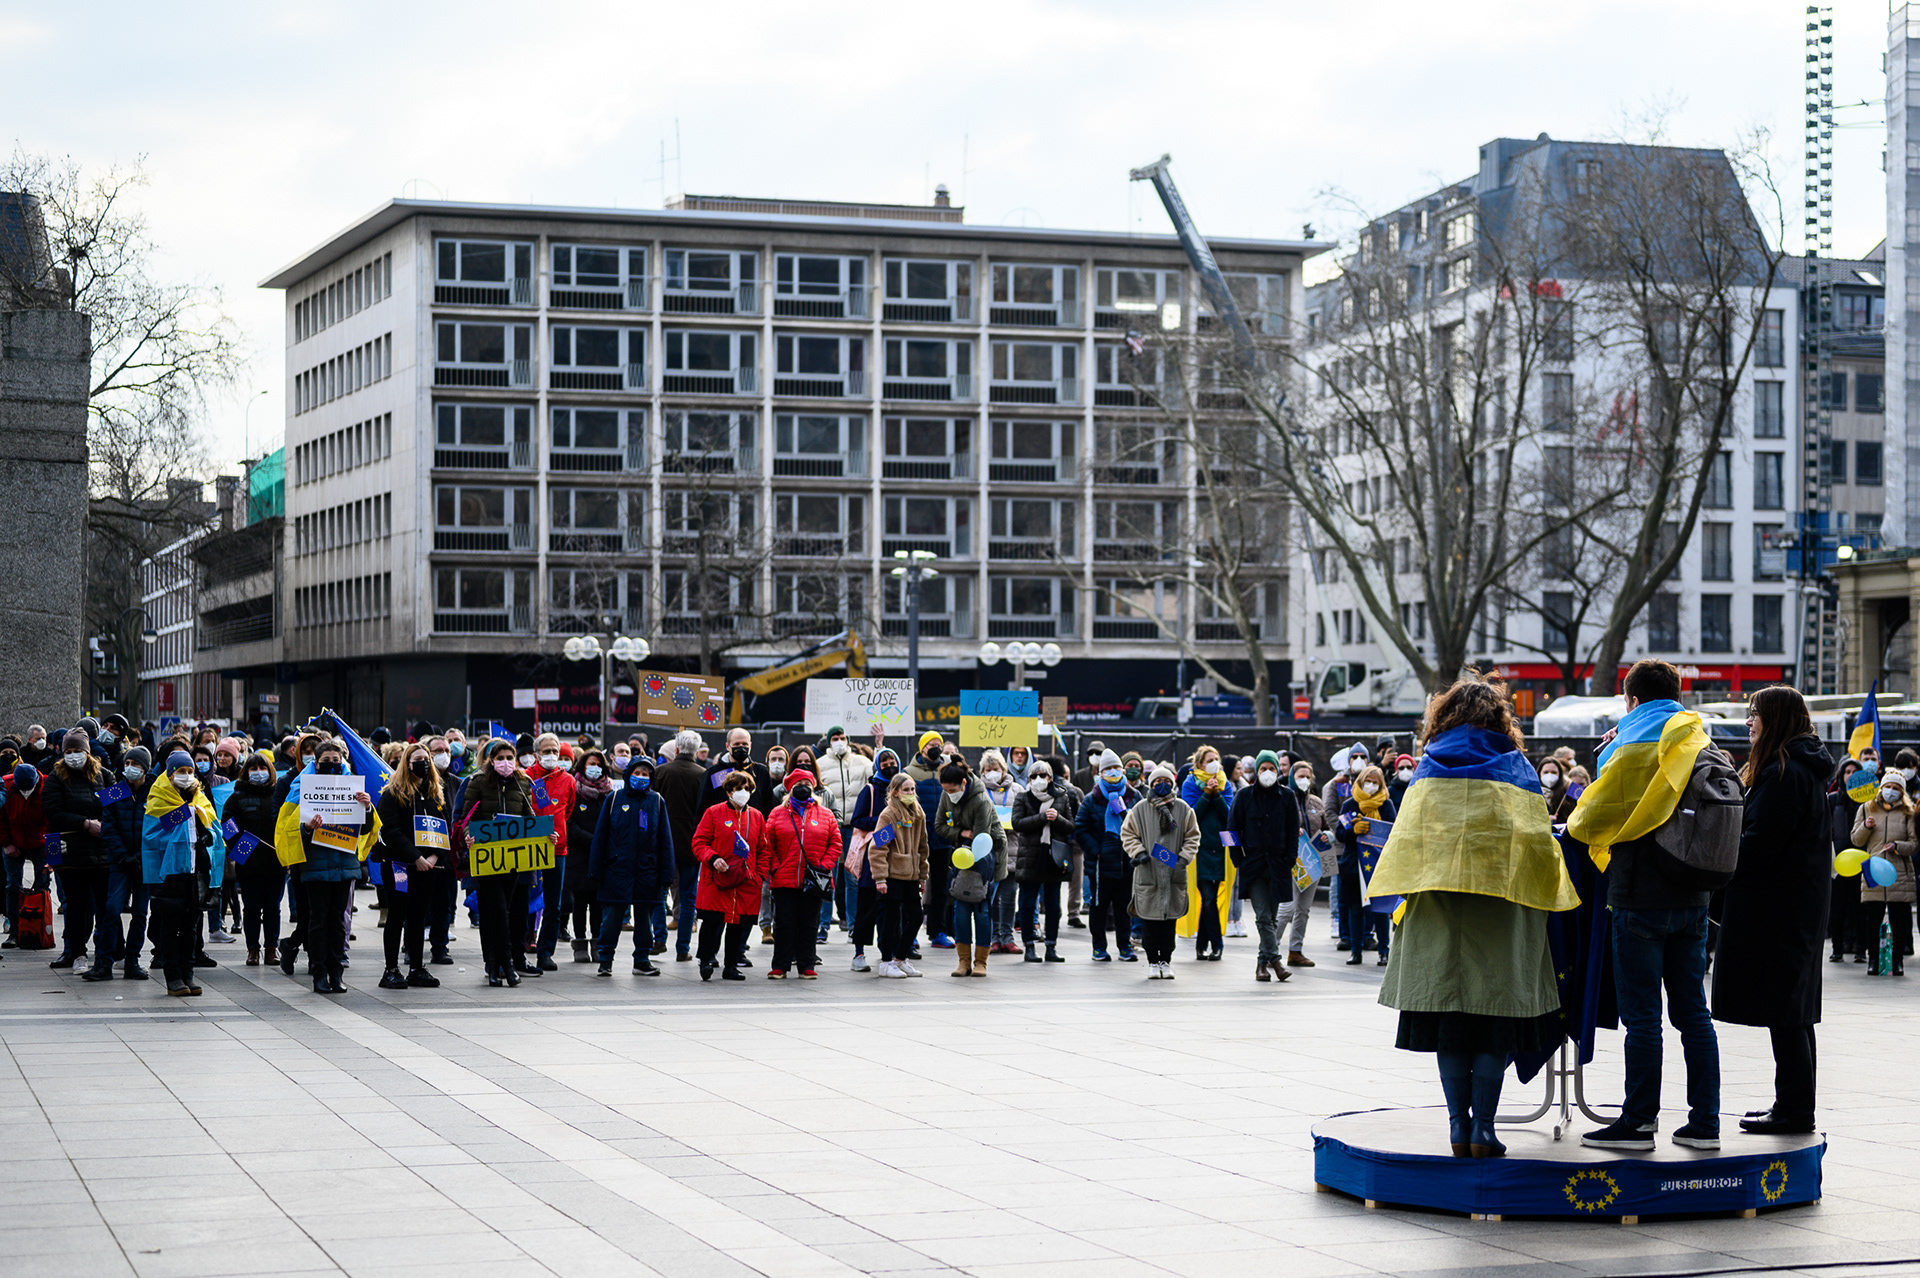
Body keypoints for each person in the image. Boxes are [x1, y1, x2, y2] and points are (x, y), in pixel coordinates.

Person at [1370, 676, 1578, 1158]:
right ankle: (1484, 1129)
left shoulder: (1428, 767)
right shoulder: (1516, 768)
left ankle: (1457, 1128)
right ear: (1500, 720)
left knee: (1450, 1025)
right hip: (1503, 915)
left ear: (1444, 717)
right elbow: (1537, 844)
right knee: (1494, 1023)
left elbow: (1407, 842)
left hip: (1438, 915)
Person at [1568, 659, 1724, 1152]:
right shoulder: (1699, 737)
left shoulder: (1627, 744)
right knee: (1693, 1012)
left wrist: (1612, 751)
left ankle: (1638, 1122)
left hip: (1639, 895)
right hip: (1693, 893)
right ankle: (1705, 1122)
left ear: (1632, 699)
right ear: (1677, 696)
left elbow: (1592, 817)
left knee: (1642, 1017)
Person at [1714, 685, 1834, 1136]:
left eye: (1756, 714)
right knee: (1794, 1012)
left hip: (1780, 910)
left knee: (1787, 1013)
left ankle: (1794, 1111)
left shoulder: (1784, 772)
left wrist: (1717, 860)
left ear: (1776, 719)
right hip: (1796, 906)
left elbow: (1759, 844)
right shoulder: (1799, 767)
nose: (1749, 722)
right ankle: (1793, 1106)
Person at [272, 739, 378, 993]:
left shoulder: (353, 788)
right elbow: (287, 829)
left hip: (344, 865)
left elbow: (366, 828)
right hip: (315, 867)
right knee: (318, 921)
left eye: (336, 761)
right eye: (326, 761)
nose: (331, 764)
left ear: (343, 762)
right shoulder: (301, 789)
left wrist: (366, 807)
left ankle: (336, 973)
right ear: (316, 764)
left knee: (338, 922)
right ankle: (319, 973)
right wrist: (307, 828)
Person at [143, 751, 230, 996]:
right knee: (170, 926)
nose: (187, 776)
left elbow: (215, 827)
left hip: (196, 871)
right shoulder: (158, 797)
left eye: (190, 771)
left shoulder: (199, 797)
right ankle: (173, 977)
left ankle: (188, 974)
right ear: (170, 774)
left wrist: (207, 835)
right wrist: (182, 817)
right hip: (171, 873)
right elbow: (152, 834)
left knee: (192, 927)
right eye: (181, 771)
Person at [459, 739, 538, 986]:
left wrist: (546, 835)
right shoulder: (477, 782)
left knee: (504, 912)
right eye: (500, 758)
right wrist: (468, 836)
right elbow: (466, 818)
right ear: (491, 760)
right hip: (486, 858)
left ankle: (496, 966)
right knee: (498, 911)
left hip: (513, 858)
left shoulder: (523, 782)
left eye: (509, 758)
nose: (506, 762)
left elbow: (529, 817)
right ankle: (507, 965)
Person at [588, 754, 674, 978]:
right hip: (617, 869)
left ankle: (642, 960)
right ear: (629, 775)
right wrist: (595, 870)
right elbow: (601, 836)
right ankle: (605, 960)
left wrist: (667, 874)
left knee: (644, 920)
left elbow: (665, 840)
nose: (641, 777)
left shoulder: (657, 801)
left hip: (647, 871)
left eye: (645, 774)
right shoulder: (614, 799)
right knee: (612, 920)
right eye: (637, 773)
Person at [371, 743, 448, 989]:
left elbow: (443, 828)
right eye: (418, 759)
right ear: (407, 763)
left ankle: (416, 968)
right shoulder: (393, 794)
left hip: (426, 869)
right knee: (397, 914)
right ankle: (391, 970)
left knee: (418, 916)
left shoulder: (435, 793)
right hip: (400, 867)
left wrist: (435, 856)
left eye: (426, 759)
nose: (423, 763)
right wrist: (415, 857)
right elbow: (390, 831)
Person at [752, 768, 840, 978]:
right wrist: (775, 867)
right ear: (790, 789)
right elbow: (767, 843)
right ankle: (780, 965)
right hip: (784, 878)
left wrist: (824, 865)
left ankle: (806, 964)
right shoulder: (777, 813)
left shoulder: (825, 814)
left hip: (814, 879)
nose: (803, 788)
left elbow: (835, 843)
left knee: (809, 923)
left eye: (807, 785)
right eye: (799, 785)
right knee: (784, 923)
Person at [43, 729, 114, 976]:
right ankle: (77, 953)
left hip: (102, 854)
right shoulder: (56, 778)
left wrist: (103, 824)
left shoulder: (104, 775)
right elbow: (53, 811)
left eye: (78, 751)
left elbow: (117, 805)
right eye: (69, 751)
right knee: (76, 907)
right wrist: (85, 823)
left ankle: (110, 952)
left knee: (107, 906)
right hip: (72, 855)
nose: (73, 756)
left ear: (88, 752)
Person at [1121, 763, 1199, 979]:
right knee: (1149, 921)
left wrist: (1183, 859)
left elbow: (1193, 836)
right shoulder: (1140, 809)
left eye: (1166, 781)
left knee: (1169, 921)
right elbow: (1127, 834)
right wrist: (1138, 852)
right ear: (1151, 784)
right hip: (1148, 873)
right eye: (1157, 781)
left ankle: (1166, 960)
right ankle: (1152, 963)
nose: (1162, 785)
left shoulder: (1184, 809)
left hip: (1174, 874)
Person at [1226, 750, 1298, 982]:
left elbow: (1292, 831)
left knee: (1272, 918)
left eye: (1272, 768)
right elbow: (1231, 831)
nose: (1268, 772)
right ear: (1257, 771)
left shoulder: (1287, 796)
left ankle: (1261, 964)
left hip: (1278, 866)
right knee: (1263, 916)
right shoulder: (1244, 796)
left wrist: (1289, 859)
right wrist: (1238, 860)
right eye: (1263, 768)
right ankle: (1276, 962)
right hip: (1253, 866)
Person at [935, 758, 1007, 977]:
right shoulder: (947, 795)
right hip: (962, 856)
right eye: (945, 790)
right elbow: (939, 825)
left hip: (988, 858)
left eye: (952, 790)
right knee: (961, 911)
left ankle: (981, 962)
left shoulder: (981, 800)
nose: (949, 794)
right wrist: (960, 833)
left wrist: (964, 836)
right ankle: (963, 961)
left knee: (982, 910)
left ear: (964, 783)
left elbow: (981, 837)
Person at [691, 769, 763, 980]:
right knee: (712, 922)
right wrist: (713, 858)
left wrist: (758, 875)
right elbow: (699, 842)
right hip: (717, 878)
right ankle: (705, 960)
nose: (743, 792)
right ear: (729, 792)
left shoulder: (757, 816)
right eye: (738, 788)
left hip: (745, 880)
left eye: (747, 788)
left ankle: (731, 965)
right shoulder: (713, 813)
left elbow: (764, 849)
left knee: (738, 924)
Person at [1074, 749, 1141, 963]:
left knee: (1123, 909)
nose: (1113, 772)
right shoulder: (1091, 799)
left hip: (1124, 863)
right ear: (1100, 773)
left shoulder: (1133, 796)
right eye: (1108, 769)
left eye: (1116, 768)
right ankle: (1099, 948)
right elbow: (1080, 828)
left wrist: (1123, 813)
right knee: (1098, 909)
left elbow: (1140, 824)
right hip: (1099, 865)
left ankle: (1125, 947)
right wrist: (1095, 850)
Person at [1011, 758, 1076, 963]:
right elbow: (1017, 823)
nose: (1039, 779)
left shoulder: (1061, 797)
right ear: (1029, 779)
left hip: (1053, 857)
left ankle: (1051, 946)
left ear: (1050, 778)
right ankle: (1029, 946)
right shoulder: (1023, 797)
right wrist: (1042, 818)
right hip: (1030, 857)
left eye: (1043, 775)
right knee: (1027, 904)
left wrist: (1057, 818)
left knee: (1053, 905)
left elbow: (1071, 826)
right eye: (1035, 776)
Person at [1852, 768, 1914, 975]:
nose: (1891, 791)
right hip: (1874, 871)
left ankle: (1897, 961)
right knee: (1872, 918)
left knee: (1899, 920)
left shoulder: (1908, 812)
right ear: (1881, 788)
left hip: (1900, 874)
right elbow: (1856, 840)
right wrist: (1866, 827)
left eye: (1896, 788)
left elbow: (1914, 844)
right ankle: (1873, 960)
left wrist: (1897, 846)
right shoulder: (1866, 808)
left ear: (1901, 792)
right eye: (1888, 786)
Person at [226, 750, 285, 967]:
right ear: (246, 772)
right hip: (249, 864)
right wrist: (243, 847)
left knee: (273, 908)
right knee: (251, 908)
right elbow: (228, 827)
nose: (258, 772)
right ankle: (252, 949)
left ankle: (271, 948)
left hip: (275, 862)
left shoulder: (279, 795)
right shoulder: (236, 797)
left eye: (262, 768)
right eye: (253, 768)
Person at [654, 731, 708, 964]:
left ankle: (659, 938)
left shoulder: (660, 773)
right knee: (688, 898)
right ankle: (683, 948)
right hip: (691, 846)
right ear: (697, 751)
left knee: (658, 894)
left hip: (662, 844)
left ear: (676, 749)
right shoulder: (703, 775)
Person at [868, 772, 929, 977]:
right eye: (906, 790)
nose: (910, 793)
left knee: (916, 917)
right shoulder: (889, 815)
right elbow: (878, 847)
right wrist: (880, 878)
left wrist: (922, 875)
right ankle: (886, 962)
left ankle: (900, 958)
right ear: (895, 792)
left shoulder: (918, 814)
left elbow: (923, 846)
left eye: (912, 789)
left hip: (911, 876)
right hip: (892, 876)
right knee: (891, 920)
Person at [525, 734, 578, 971]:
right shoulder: (525, 777)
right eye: (546, 751)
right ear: (536, 754)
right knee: (524, 899)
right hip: (528, 848)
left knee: (553, 905)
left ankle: (545, 952)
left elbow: (568, 812)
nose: (551, 756)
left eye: (554, 751)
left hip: (557, 849)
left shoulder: (568, 780)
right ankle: (520, 946)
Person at [1336, 764, 1396, 965]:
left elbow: (1393, 831)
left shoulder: (1386, 805)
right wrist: (1353, 831)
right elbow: (1339, 833)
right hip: (1354, 865)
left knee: (1380, 909)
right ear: (1360, 782)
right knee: (1355, 910)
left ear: (1381, 785)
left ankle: (1384, 951)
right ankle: (1356, 951)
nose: (1371, 785)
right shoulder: (1349, 805)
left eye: (1375, 783)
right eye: (1368, 781)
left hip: (1378, 865)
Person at [1179, 744, 1234, 961]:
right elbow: (1191, 815)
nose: (1214, 764)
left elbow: (1228, 816)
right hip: (1198, 850)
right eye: (1209, 760)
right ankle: (1217, 945)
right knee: (1208, 898)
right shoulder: (1189, 784)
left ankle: (1201, 945)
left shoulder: (1225, 784)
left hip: (1220, 849)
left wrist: (1216, 794)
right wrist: (1206, 794)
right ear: (1199, 764)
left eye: (1216, 759)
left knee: (1210, 899)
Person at [102, 747, 152, 978]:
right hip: (120, 861)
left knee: (140, 913)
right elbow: (108, 827)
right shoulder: (114, 791)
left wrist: (140, 856)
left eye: (135, 764)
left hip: (144, 862)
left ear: (145, 768)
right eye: (127, 763)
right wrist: (123, 855)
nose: (130, 768)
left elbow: (158, 828)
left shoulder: (155, 793)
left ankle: (132, 960)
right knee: (112, 909)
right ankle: (104, 961)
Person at [905, 733, 956, 949]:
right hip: (918, 840)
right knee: (913, 888)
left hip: (943, 838)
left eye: (939, 745)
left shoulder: (949, 769)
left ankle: (938, 932)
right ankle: (910, 933)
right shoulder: (909, 772)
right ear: (922, 748)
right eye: (931, 744)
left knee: (941, 889)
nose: (936, 748)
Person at [564, 748, 614, 962]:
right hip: (578, 855)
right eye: (591, 764)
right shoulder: (575, 790)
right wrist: (590, 839)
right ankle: (580, 944)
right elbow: (568, 822)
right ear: (583, 765)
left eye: (598, 765)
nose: (595, 768)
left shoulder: (608, 793)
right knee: (579, 903)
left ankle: (596, 943)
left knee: (597, 903)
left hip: (600, 857)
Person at [1284, 759, 1326, 968]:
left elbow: (1326, 827)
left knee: (1303, 909)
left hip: (1312, 860)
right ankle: (1269, 951)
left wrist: (1328, 836)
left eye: (1308, 777)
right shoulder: (1283, 798)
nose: (1304, 780)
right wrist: (1291, 831)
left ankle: (1295, 951)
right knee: (1287, 908)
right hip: (1290, 860)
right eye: (1300, 776)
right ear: (1292, 778)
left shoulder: (1316, 802)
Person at [1830, 757, 1864, 963]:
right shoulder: (1833, 799)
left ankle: (1861, 949)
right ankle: (1837, 949)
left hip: (1862, 862)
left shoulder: (1868, 803)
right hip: (1839, 863)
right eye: (1847, 772)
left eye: (1854, 772)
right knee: (1838, 908)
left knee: (1860, 908)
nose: (1850, 776)